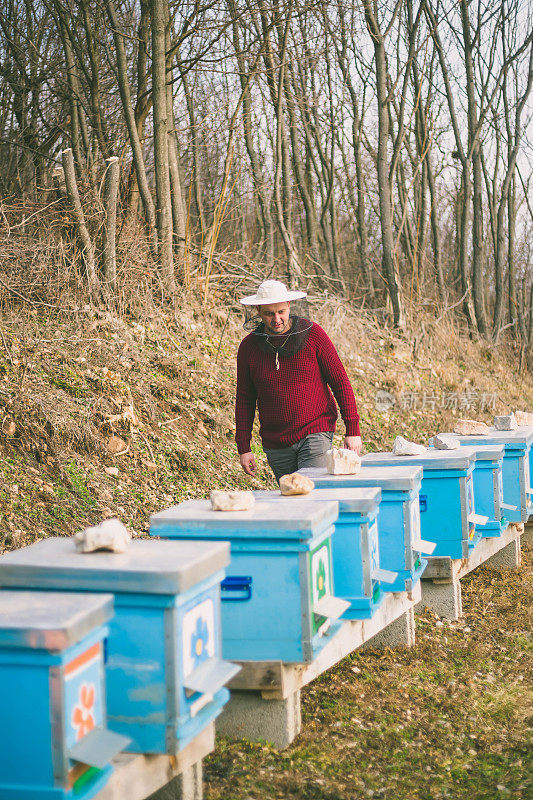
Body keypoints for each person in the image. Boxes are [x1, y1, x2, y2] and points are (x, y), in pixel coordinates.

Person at [235, 279, 362, 482]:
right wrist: (244, 447)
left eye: (280, 312)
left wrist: (352, 430)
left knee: (313, 493)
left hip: (315, 431)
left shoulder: (314, 336)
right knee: (291, 499)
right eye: (269, 313)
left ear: (289, 307)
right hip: (275, 442)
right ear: (258, 310)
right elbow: (244, 399)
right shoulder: (249, 348)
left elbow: (340, 382)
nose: (276, 319)